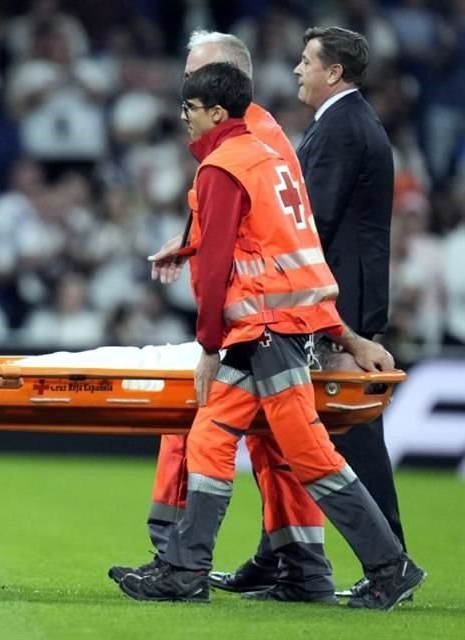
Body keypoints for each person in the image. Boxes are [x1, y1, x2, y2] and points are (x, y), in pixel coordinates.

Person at [115, 62, 424, 611]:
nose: (183, 118)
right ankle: (185, 569)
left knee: (309, 453)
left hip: (260, 334)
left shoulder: (222, 167)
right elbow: (300, 264)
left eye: (188, 108)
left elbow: (214, 272)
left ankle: (389, 564)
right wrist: (345, 336)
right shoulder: (271, 159)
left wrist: (208, 346)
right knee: (210, 439)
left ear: (215, 112)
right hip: (272, 330)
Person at [218, 26, 407, 600]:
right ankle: (283, 557)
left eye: (306, 62)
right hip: (337, 294)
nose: (296, 70)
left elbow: (309, 223)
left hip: (331, 303)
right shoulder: (347, 123)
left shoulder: (342, 129)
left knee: (342, 435)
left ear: (334, 73)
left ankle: (389, 559)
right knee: (286, 429)